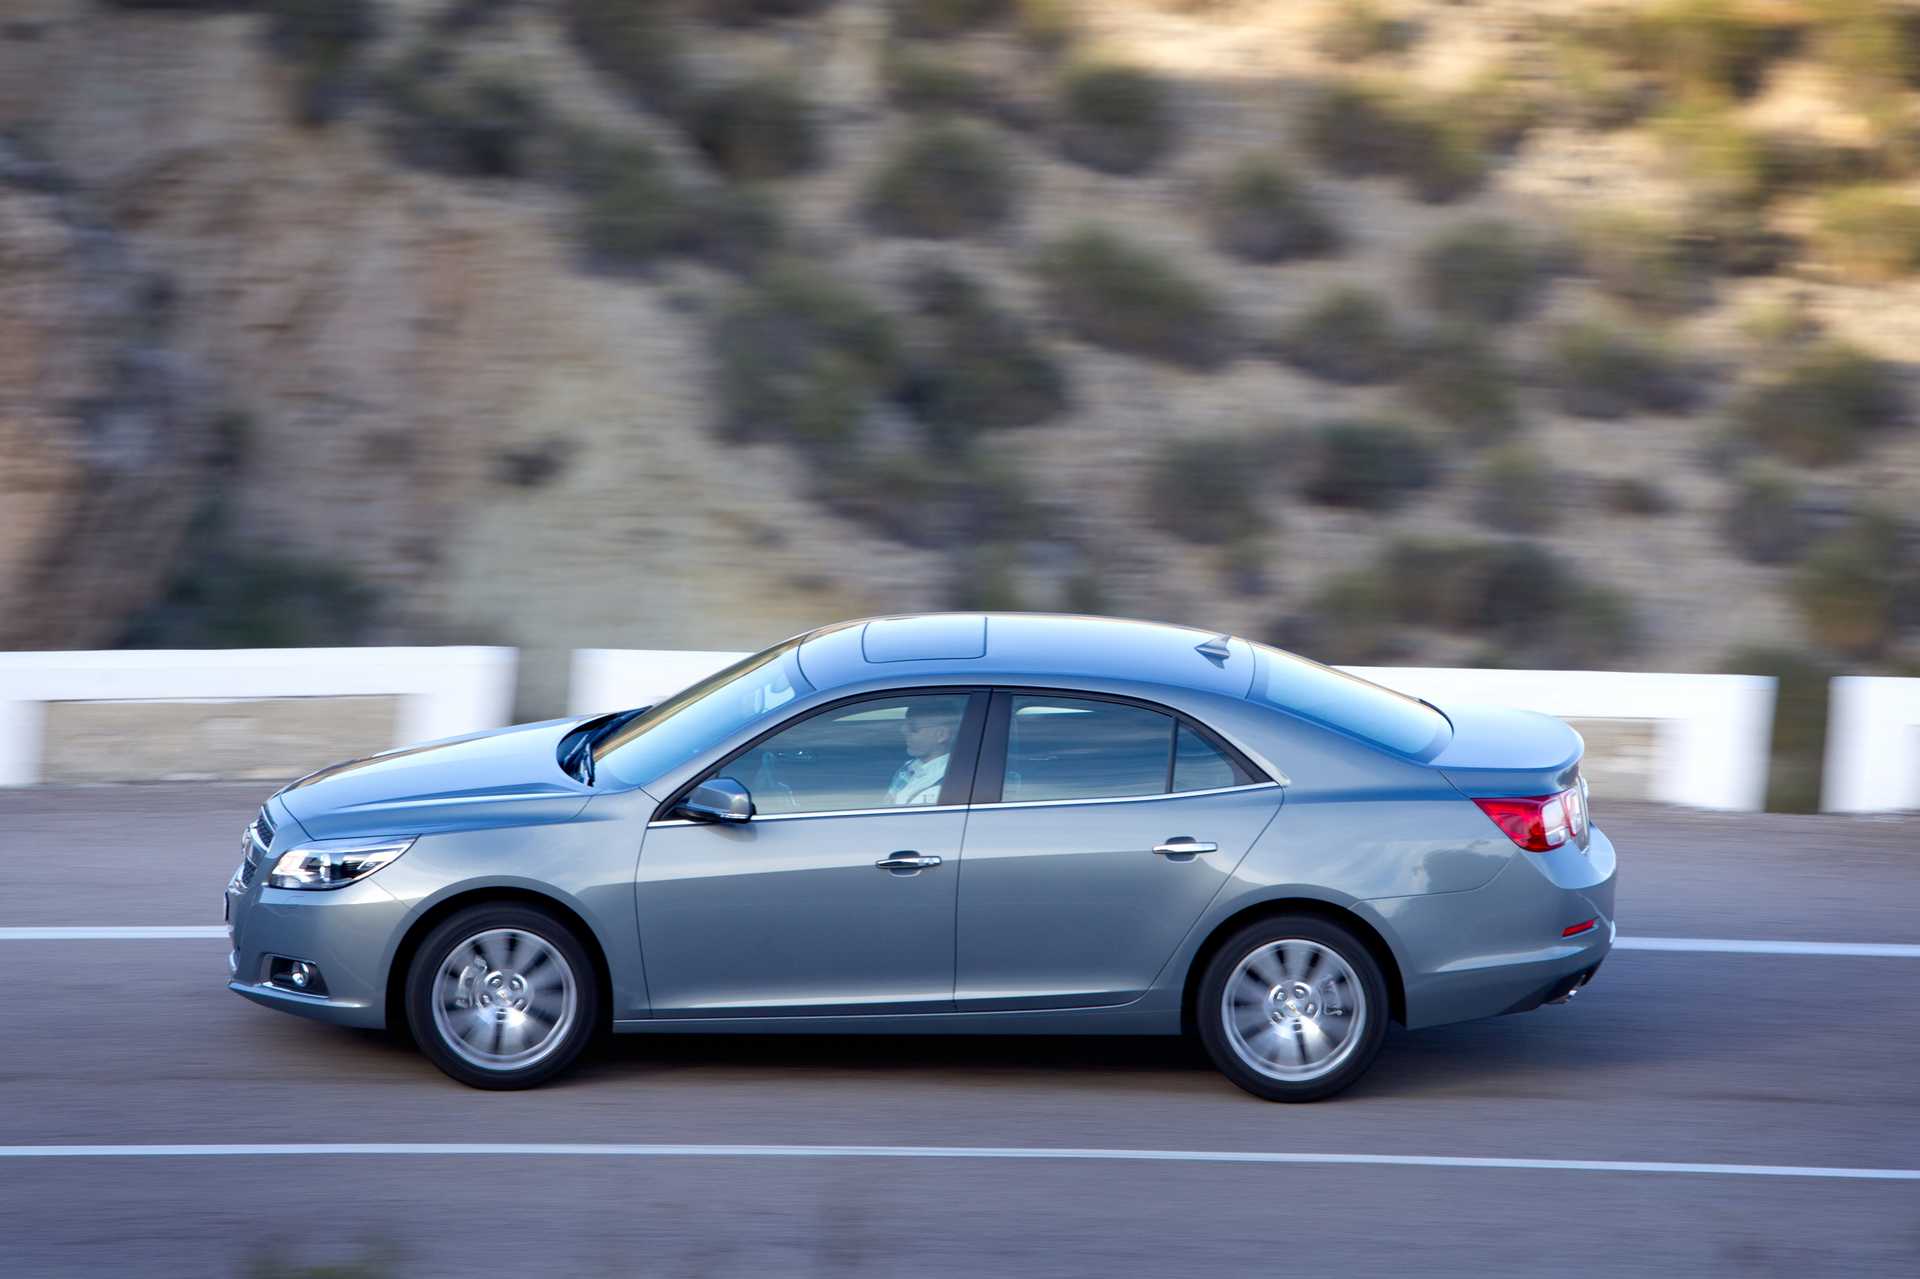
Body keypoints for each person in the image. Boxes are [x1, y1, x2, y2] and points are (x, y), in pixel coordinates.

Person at [886, 702, 959, 805]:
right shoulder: (908, 767)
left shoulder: (947, 782)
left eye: (913, 727)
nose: (903, 730)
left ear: (941, 735)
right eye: (904, 724)